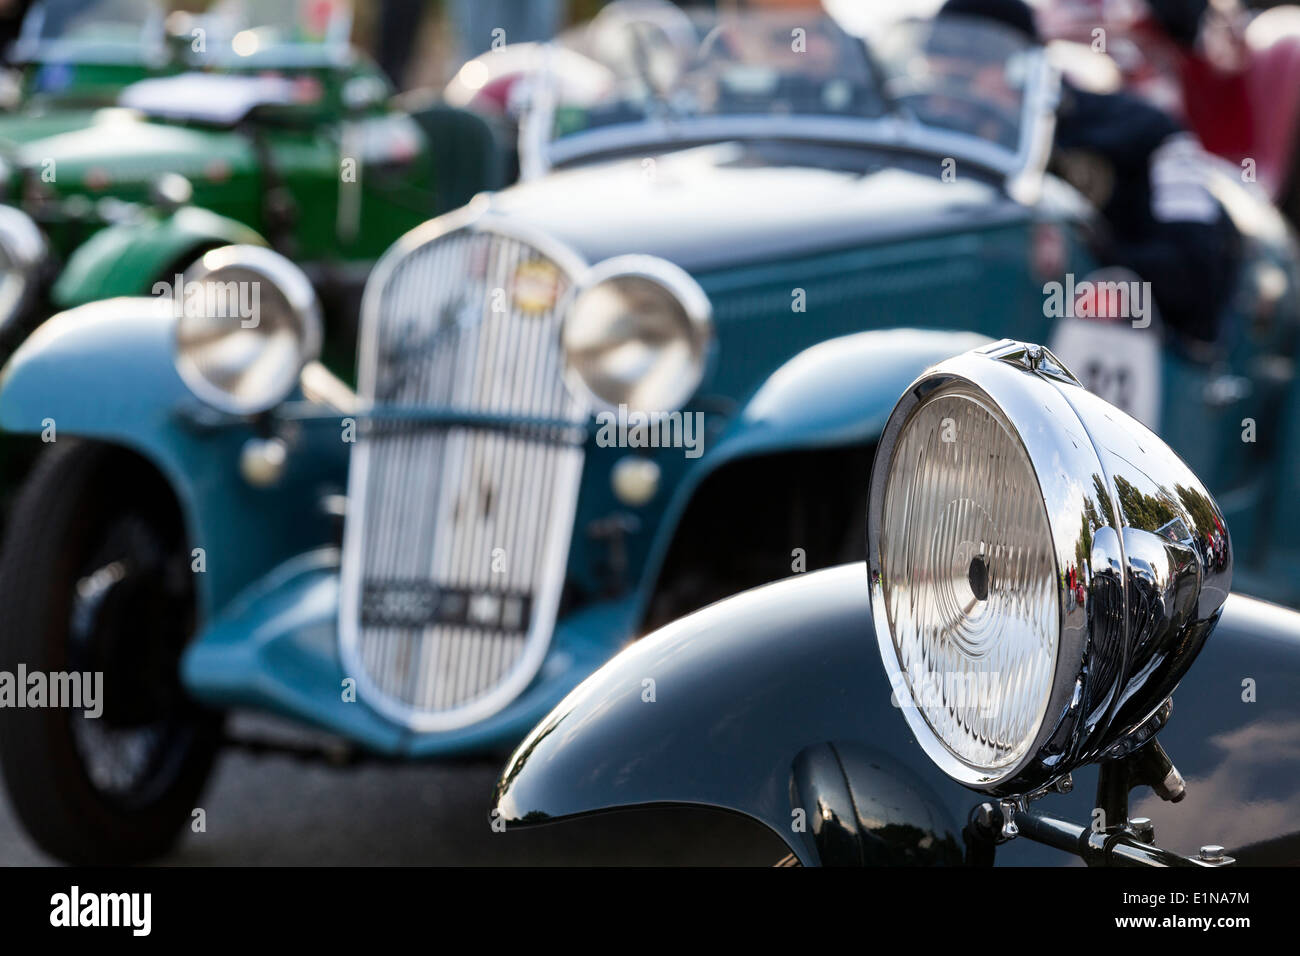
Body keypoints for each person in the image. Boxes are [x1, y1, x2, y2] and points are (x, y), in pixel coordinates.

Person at [940, 0, 1239, 344]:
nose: (945, 103)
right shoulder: (925, 136)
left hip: (1096, 357)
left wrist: (1085, 257)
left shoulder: (1147, 134)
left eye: (963, 80)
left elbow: (1196, 276)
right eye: (941, 84)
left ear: (1020, 69)